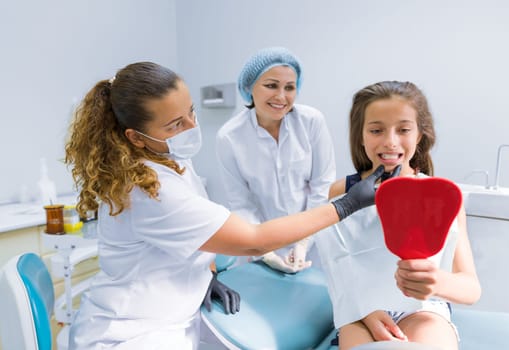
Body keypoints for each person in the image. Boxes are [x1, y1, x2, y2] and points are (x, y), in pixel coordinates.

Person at [64, 61, 385, 349]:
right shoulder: (149, 190)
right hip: (131, 333)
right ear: (135, 137)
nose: (192, 127)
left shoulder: (173, 160)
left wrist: (208, 274)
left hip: (177, 315)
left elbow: (199, 231)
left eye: (191, 112)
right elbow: (252, 239)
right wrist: (346, 206)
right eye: (176, 124)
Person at [315, 81, 481, 350]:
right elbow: (336, 267)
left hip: (424, 309)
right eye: (376, 130)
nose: (390, 141)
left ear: (419, 135)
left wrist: (436, 282)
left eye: (403, 129)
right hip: (358, 313)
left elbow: (471, 288)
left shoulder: (443, 197)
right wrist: (364, 312)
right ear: (361, 135)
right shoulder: (340, 193)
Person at [216, 47, 336, 273]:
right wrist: (265, 251)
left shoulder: (311, 122)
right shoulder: (229, 137)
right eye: (271, 85)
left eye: (289, 87)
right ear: (250, 87)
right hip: (262, 246)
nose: (281, 96)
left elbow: (322, 186)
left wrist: (303, 242)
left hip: (315, 244)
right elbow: (241, 203)